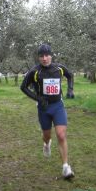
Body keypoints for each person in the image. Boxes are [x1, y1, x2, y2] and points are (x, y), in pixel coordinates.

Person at [20, 44, 75, 179]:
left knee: (61, 135)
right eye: (41, 56)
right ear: (38, 58)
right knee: (47, 135)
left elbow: (70, 76)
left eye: (47, 55)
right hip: (44, 108)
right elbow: (23, 87)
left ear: (51, 56)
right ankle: (46, 144)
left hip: (57, 106)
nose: (44, 58)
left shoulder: (59, 69)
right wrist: (37, 98)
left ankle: (66, 167)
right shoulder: (35, 71)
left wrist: (70, 89)